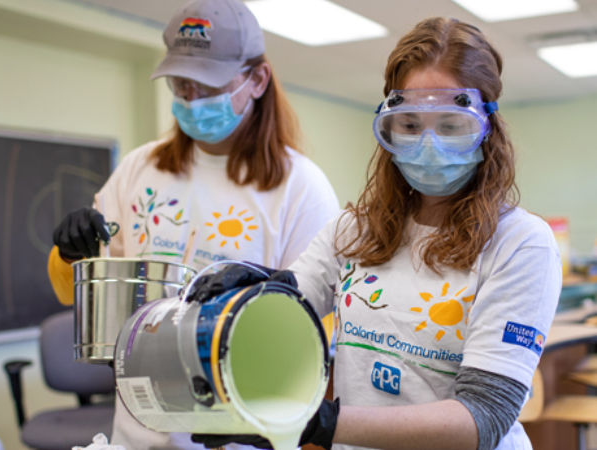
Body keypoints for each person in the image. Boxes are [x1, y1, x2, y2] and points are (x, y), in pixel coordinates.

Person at [189, 17, 561, 450]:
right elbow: (292, 297)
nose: (428, 145)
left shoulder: (521, 243)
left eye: (451, 125)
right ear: (388, 127)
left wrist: (319, 424)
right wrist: (253, 285)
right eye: (409, 125)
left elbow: (483, 417)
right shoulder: (354, 229)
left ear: (485, 129)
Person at [47, 0, 340, 448]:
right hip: (138, 432)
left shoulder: (301, 188)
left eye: (208, 84)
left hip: (242, 431)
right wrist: (71, 255)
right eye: (182, 85)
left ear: (257, 79)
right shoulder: (139, 168)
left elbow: (316, 340)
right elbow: (76, 291)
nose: (192, 98)